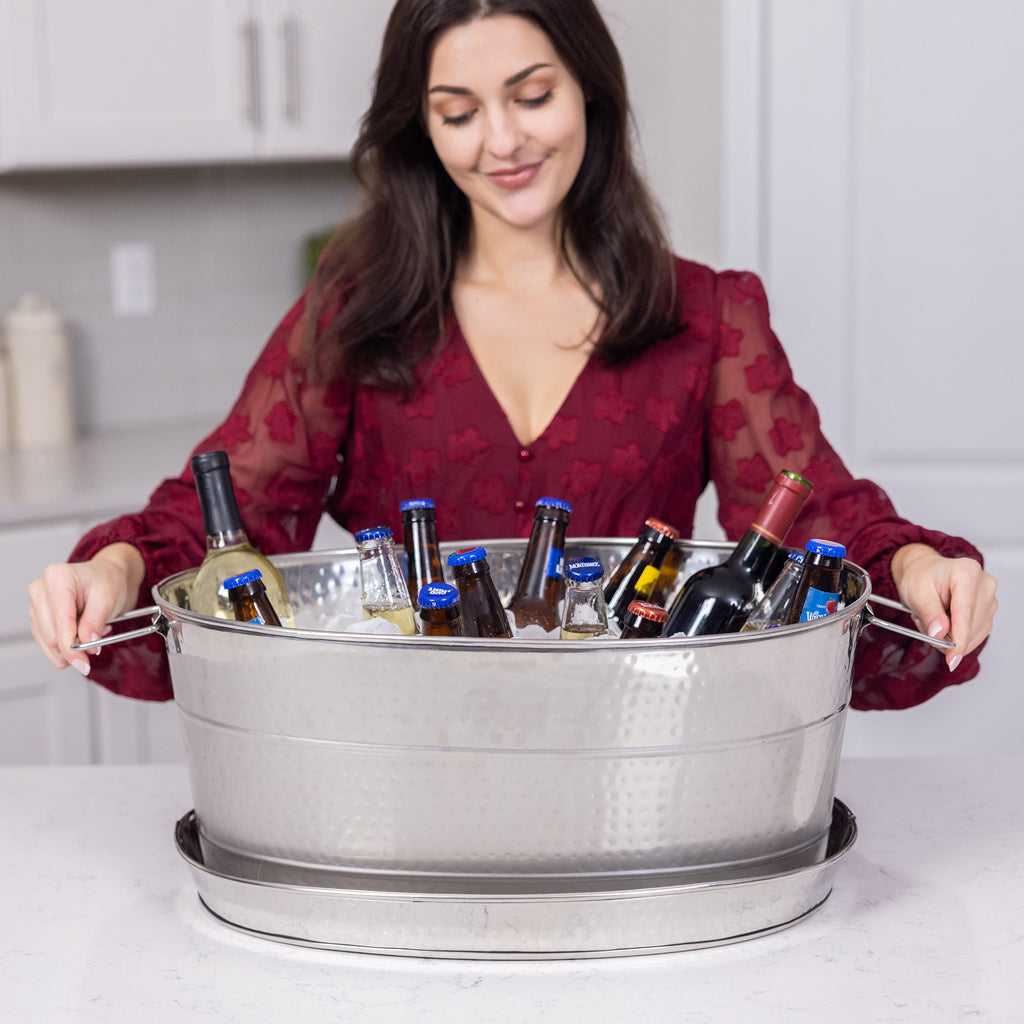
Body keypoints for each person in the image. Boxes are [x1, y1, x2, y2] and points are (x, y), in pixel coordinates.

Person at [29, 0, 996, 710]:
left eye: (531, 96)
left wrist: (912, 567)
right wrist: (112, 574)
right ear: (422, 130)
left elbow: (808, 512)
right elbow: (227, 524)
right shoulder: (356, 314)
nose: (501, 141)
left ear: (590, 92)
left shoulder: (709, 314)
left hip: (640, 753)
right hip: (401, 760)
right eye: (457, 111)